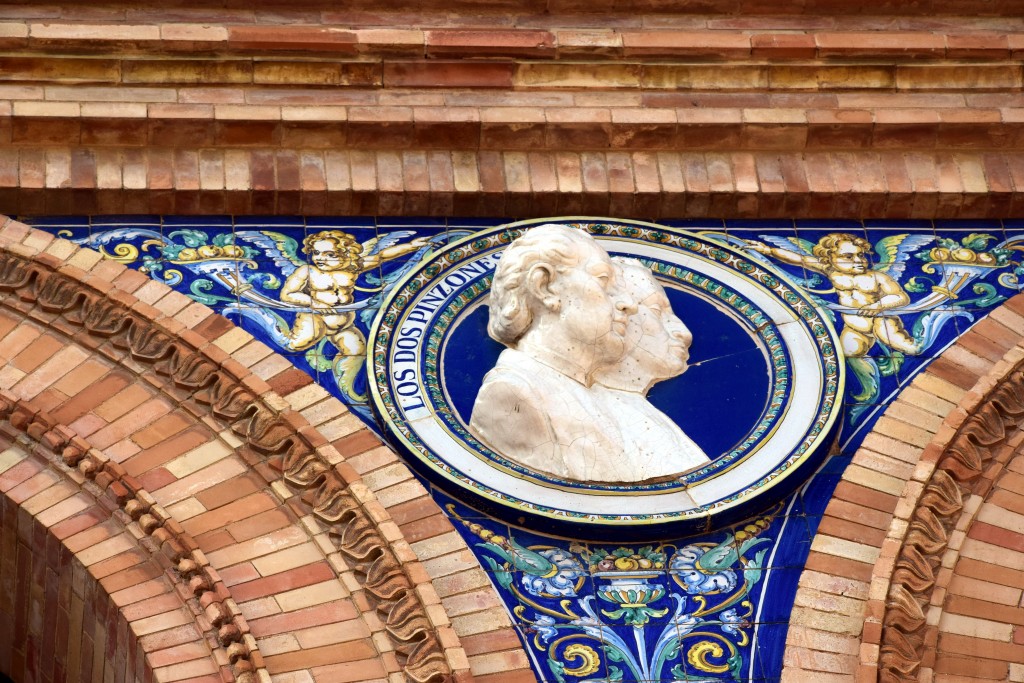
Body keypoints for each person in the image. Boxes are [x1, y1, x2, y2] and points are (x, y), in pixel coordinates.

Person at [468, 225, 637, 481]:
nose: (629, 304)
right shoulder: (513, 393)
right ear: (543, 287)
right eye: (603, 280)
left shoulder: (610, 401)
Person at [591, 258, 710, 480]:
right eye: (657, 310)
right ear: (620, 310)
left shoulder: (634, 412)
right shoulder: (565, 406)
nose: (684, 332)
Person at [745, 233, 919, 358]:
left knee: (906, 348)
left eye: (860, 255)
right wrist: (767, 250)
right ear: (830, 259)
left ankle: (917, 347)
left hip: (881, 319)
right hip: (853, 326)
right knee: (848, 354)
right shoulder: (831, 272)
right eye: (848, 257)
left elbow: (900, 297)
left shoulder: (877, 276)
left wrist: (876, 306)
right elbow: (800, 259)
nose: (858, 260)